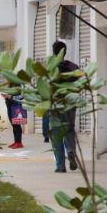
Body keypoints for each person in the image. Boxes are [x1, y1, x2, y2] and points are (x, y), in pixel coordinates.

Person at [43, 40, 81, 172]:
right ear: (65, 52)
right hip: (70, 103)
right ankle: (70, 151)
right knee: (69, 129)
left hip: (55, 104)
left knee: (56, 134)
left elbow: (44, 87)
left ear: (53, 52)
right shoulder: (73, 66)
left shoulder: (50, 68)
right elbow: (80, 84)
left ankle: (60, 166)